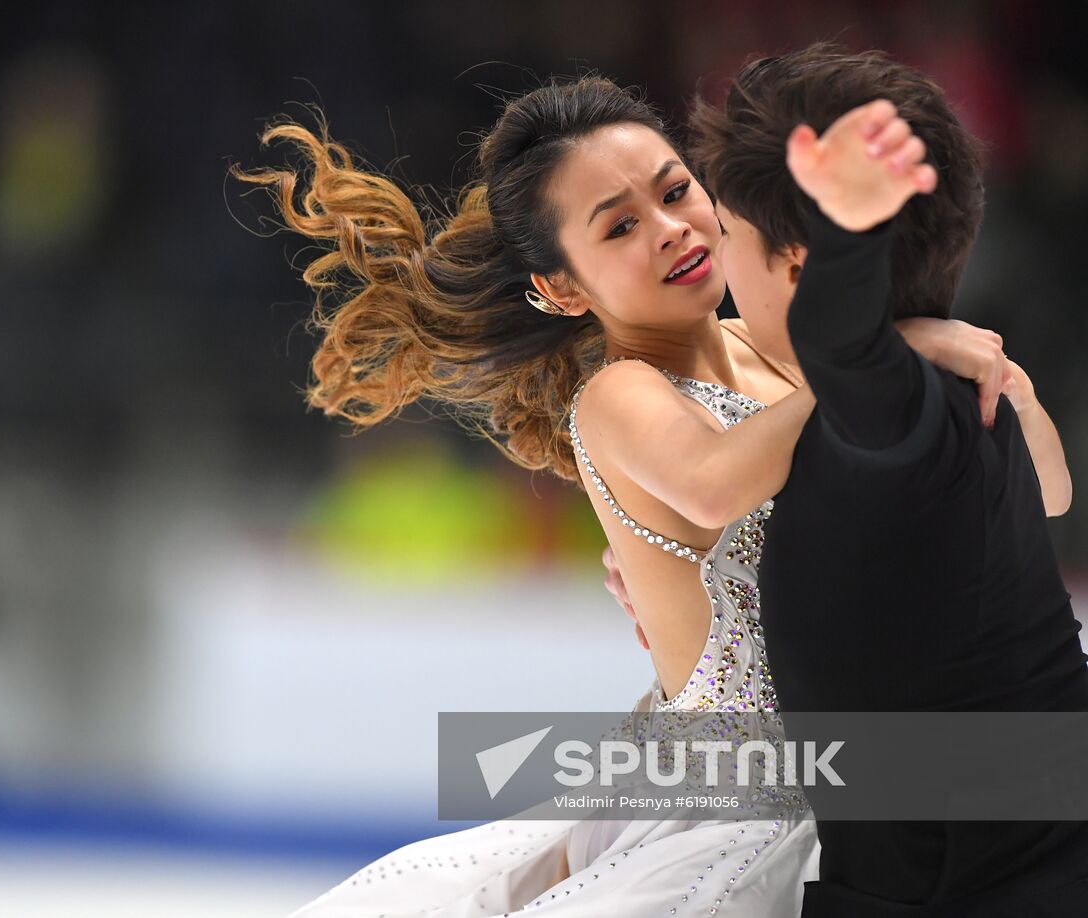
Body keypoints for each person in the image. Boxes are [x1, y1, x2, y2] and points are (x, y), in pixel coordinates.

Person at [230, 57, 1065, 917]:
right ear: (560, 286)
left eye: (674, 191)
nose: (669, 228)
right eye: (618, 227)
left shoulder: (778, 346)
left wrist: (1008, 386)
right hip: (749, 803)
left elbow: (1040, 497)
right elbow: (709, 487)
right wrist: (883, 359)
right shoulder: (622, 394)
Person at [673, 45, 1088, 915]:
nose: (715, 263)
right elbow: (1055, 497)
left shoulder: (912, 412)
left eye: (728, 234)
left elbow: (844, 347)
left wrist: (847, 234)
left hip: (989, 883)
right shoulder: (950, 391)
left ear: (797, 265)